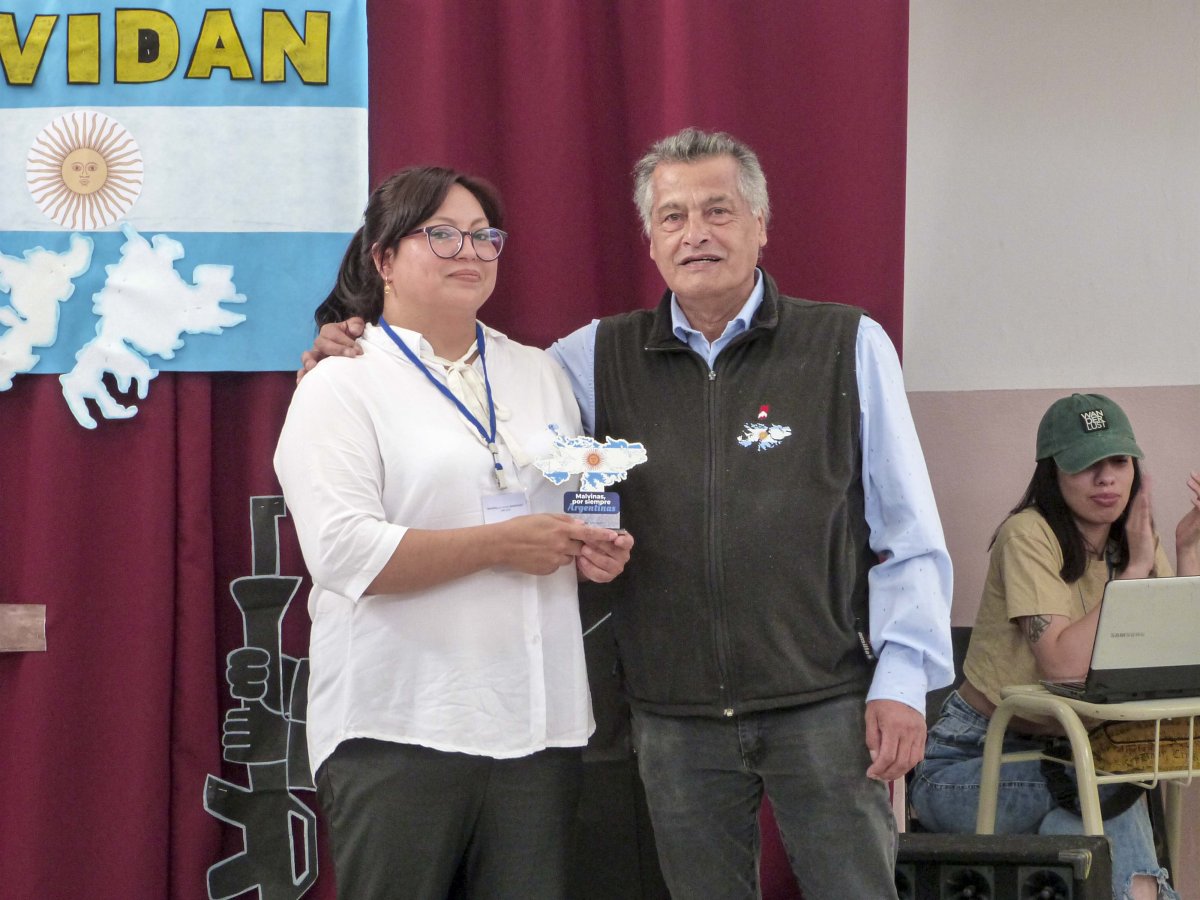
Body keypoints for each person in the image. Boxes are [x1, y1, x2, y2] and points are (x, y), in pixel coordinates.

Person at [300, 129, 953, 899]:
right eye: (673, 216)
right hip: (675, 718)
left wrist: (902, 680)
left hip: (825, 703)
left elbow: (908, 533)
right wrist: (354, 347)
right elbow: (472, 392)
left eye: (718, 210)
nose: (696, 233)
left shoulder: (846, 343)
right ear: (650, 240)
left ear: (760, 224)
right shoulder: (588, 359)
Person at [274, 165, 634, 900]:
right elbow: (343, 552)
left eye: (483, 235)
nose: (469, 251)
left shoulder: (539, 373)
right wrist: (501, 545)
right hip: (398, 723)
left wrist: (595, 549)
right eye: (441, 235)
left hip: (539, 725)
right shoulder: (341, 383)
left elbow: (575, 500)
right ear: (383, 258)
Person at [910, 393, 1200, 900]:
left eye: (1119, 461)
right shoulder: (1027, 534)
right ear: (1053, 472)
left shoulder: (1134, 537)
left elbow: (1174, 654)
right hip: (970, 763)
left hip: (1077, 755)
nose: (1107, 479)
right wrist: (1134, 572)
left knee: (1078, 825)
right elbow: (1063, 665)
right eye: (1087, 464)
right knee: (1104, 787)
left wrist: (1188, 550)